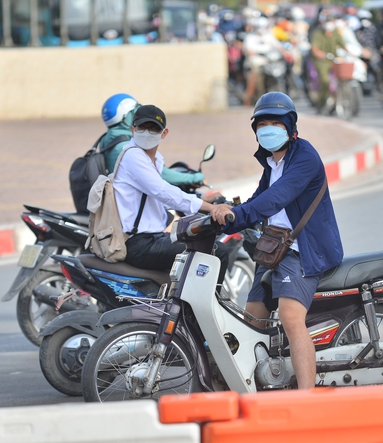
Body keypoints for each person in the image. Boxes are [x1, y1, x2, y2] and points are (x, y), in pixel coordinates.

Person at [210, 92, 344, 390]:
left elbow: (274, 199)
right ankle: (263, 384)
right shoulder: (272, 162)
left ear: (289, 126)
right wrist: (226, 215)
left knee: (290, 316)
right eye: (263, 123)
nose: (268, 129)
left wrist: (237, 216)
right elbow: (258, 199)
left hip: (304, 250)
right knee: (251, 319)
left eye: (276, 122)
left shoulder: (305, 158)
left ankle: (306, 396)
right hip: (274, 249)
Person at [112, 104, 230, 281]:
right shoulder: (133, 156)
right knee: (217, 252)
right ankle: (205, 305)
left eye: (153, 129)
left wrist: (203, 199)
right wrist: (210, 208)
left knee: (198, 240)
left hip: (153, 238)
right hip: (140, 244)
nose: (147, 133)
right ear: (132, 129)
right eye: (142, 127)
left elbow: (160, 198)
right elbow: (162, 191)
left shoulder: (154, 159)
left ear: (164, 133)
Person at [99, 93, 205, 187]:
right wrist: (194, 178)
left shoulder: (107, 139)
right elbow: (161, 176)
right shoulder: (126, 148)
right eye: (135, 111)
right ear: (127, 117)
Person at [310, 15, 347, 113]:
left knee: (342, 78)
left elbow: (343, 45)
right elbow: (314, 49)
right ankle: (321, 103)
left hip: (334, 60)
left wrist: (352, 54)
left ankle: (338, 100)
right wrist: (321, 54)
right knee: (325, 81)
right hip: (322, 61)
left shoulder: (336, 33)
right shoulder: (318, 34)